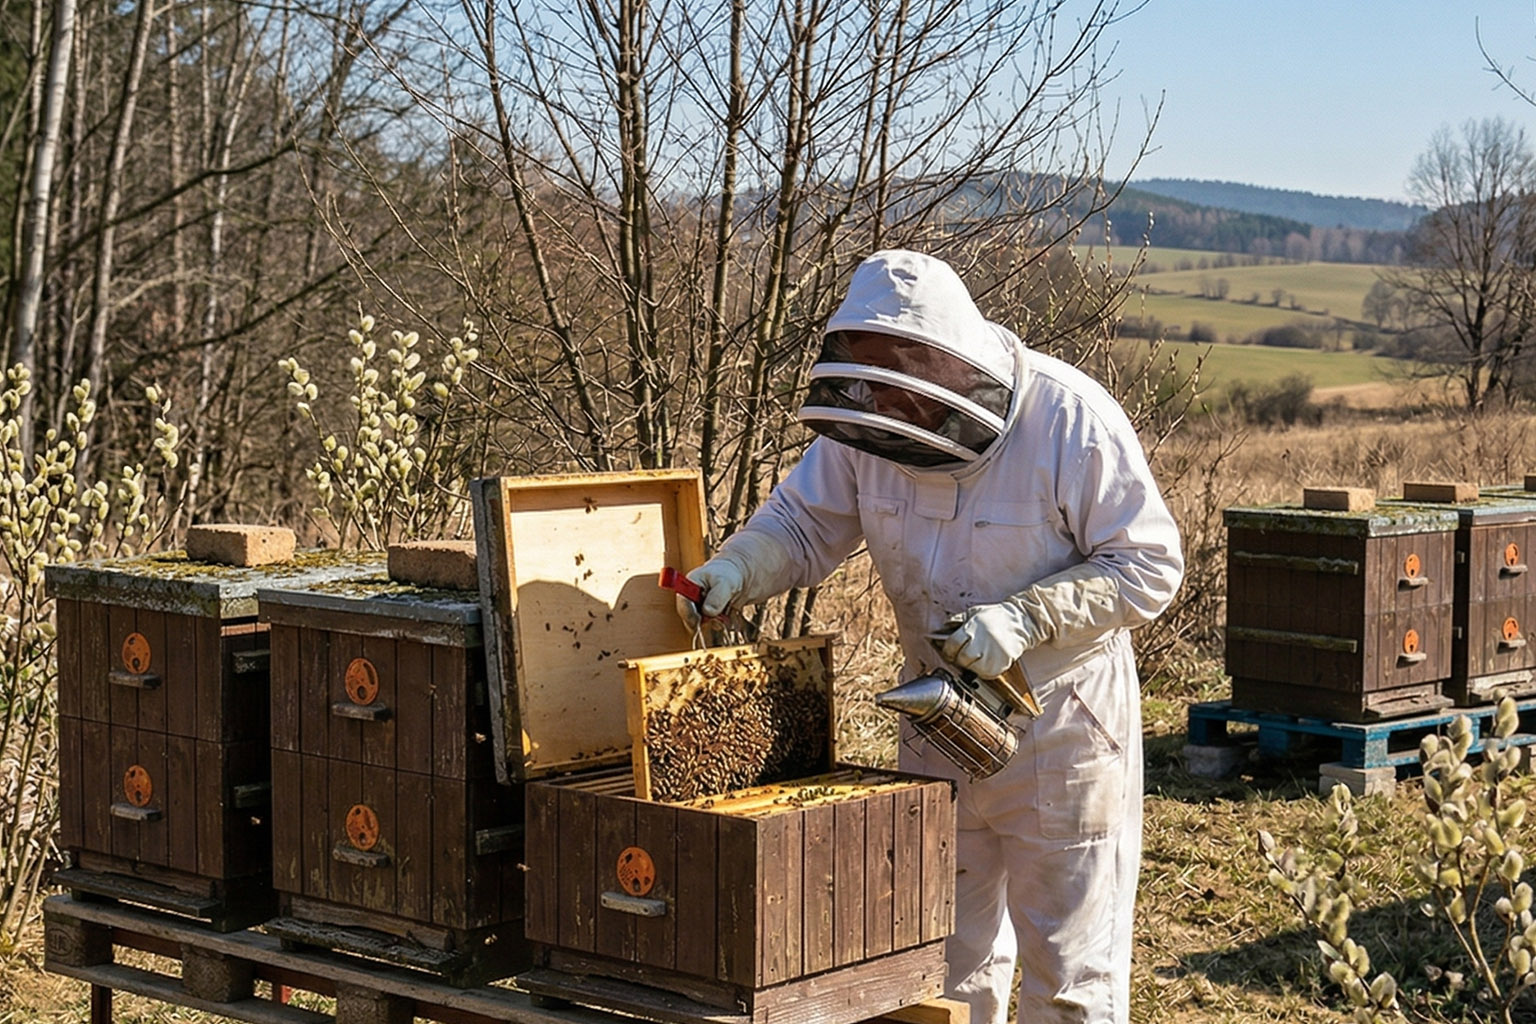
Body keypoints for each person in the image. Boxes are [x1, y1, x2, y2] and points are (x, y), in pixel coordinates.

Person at [677, 249, 1184, 1024]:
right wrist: (738, 568)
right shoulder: (863, 428)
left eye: (896, 376)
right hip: (934, 721)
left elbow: (1149, 564)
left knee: (1072, 975)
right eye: (866, 376)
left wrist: (1027, 617)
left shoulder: (1068, 420)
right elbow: (802, 522)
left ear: (942, 356)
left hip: (1062, 728)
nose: (881, 397)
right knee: (940, 960)